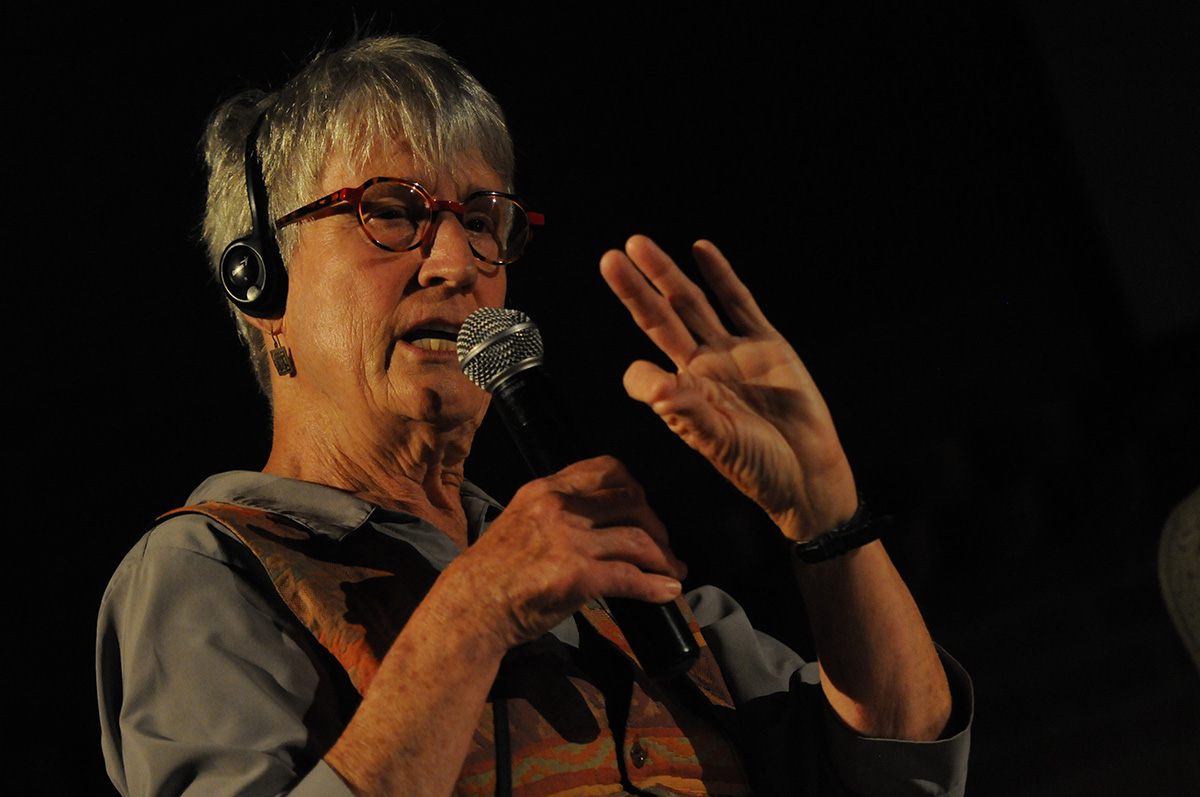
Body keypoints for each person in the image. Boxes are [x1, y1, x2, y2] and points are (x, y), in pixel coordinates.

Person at [97, 35, 971, 796]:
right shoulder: (212, 570)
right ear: (263, 287)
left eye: (483, 221)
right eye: (392, 213)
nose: (456, 260)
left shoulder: (610, 583)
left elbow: (905, 768)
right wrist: (475, 610)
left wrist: (830, 523)